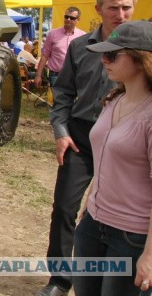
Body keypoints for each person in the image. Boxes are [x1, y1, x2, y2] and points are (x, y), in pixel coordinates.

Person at [36, 0, 138, 296]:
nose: (121, 14)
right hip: (81, 137)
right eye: (114, 8)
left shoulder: (142, 48)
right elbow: (64, 92)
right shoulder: (80, 47)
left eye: (126, 8)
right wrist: (61, 133)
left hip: (126, 142)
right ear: (99, 10)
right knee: (65, 209)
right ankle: (60, 279)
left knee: (120, 219)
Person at [73, 20, 152, 295]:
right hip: (94, 224)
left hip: (132, 238)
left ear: (142, 60)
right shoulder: (114, 99)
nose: (104, 60)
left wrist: (150, 256)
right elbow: (107, 158)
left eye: (112, 54)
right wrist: (91, 198)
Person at [35, 7, 85, 88]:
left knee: (73, 100)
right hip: (56, 75)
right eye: (66, 16)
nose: (68, 19)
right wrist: (38, 75)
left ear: (78, 20)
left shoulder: (82, 36)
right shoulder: (52, 34)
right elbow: (44, 56)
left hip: (75, 75)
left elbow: (84, 58)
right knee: (57, 100)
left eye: (72, 18)